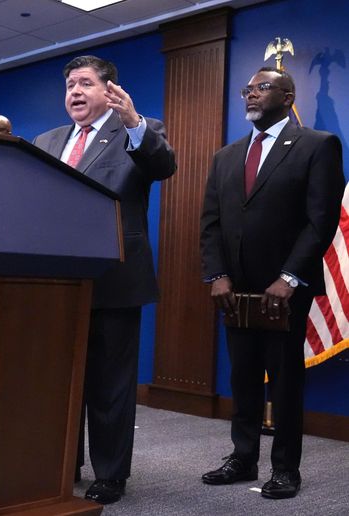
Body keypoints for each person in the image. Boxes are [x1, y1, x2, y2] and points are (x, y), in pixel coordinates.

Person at [33, 55, 176, 505]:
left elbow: (163, 166)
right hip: (57, 285)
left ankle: (111, 474)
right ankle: (63, 462)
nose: (75, 92)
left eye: (86, 83)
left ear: (110, 90)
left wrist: (132, 120)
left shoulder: (137, 128)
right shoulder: (47, 140)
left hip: (115, 280)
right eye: (70, 85)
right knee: (60, 381)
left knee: (110, 385)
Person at [200, 67, 343, 499]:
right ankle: (243, 459)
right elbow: (211, 223)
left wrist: (289, 277)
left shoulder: (317, 145)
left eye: (262, 88)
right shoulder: (226, 156)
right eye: (248, 89)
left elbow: (321, 221)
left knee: (284, 381)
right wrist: (218, 274)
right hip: (234, 290)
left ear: (287, 95)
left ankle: (285, 469)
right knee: (242, 377)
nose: (251, 95)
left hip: (284, 290)